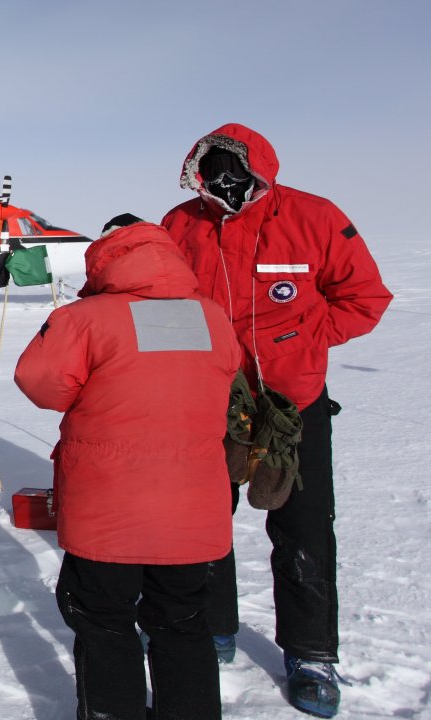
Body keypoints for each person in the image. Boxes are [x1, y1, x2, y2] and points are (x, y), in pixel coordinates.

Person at [161, 123, 393, 718]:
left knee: (303, 527)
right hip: (210, 401)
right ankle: (213, 630)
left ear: (260, 169)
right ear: (198, 173)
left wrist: (302, 340)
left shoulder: (314, 217)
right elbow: (156, 300)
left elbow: (365, 299)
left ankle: (311, 653)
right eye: (211, 172)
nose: (224, 182)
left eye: (235, 170)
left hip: (293, 406)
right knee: (204, 522)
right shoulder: (180, 224)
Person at [14, 218, 241, 720]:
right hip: (192, 507)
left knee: (103, 621)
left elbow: (40, 384)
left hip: (107, 507)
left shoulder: (86, 317)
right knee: (183, 621)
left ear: (104, 263)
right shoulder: (212, 317)